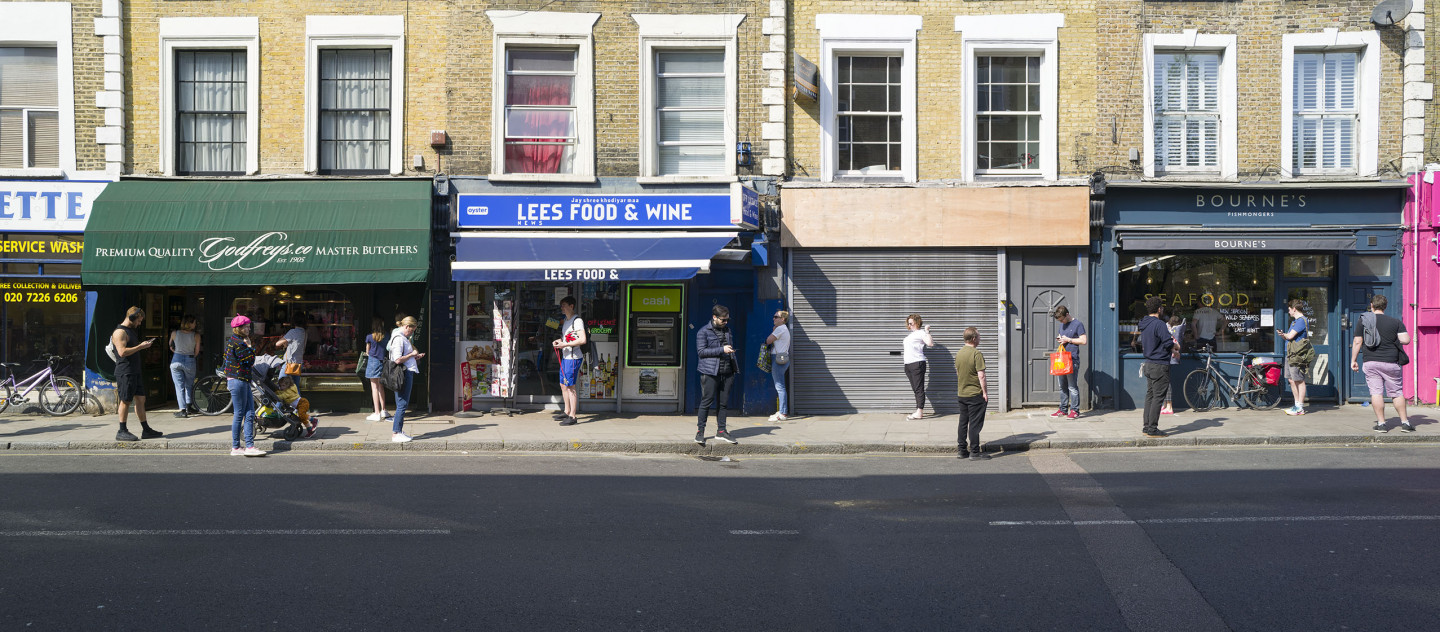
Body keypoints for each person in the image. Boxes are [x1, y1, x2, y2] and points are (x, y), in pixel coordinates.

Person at [1351, 294, 1413, 433]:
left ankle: (1381, 424)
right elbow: (1406, 340)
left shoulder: (1364, 321)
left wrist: (1353, 360)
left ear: (1372, 306)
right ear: (1385, 306)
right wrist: (1392, 338)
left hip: (1371, 362)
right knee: (1396, 392)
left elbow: (1357, 341)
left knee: (1376, 393)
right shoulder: (1395, 322)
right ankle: (1405, 423)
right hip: (1391, 362)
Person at [112, 307, 162, 442]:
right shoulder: (120, 332)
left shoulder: (131, 331)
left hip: (135, 371)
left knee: (141, 400)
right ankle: (121, 431)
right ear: (132, 317)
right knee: (125, 401)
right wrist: (141, 346)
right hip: (126, 372)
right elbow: (122, 352)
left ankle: (146, 430)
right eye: (138, 320)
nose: (139, 324)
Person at [695, 305, 739, 446]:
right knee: (706, 402)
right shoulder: (703, 332)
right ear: (714, 317)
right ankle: (700, 432)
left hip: (727, 372)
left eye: (727, 320)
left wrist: (730, 352)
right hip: (710, 372)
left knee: (723, 403)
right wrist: (722, 349)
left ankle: (721, 431)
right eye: (723, 320)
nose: (726, 322)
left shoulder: (728, 330)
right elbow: (701, 352)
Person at [223, 315, 264, 456]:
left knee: (248, 413)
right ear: (238, 328)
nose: (248, 328)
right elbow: (250, 360)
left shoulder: (233, 341)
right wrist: (250, 347)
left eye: (248, 326)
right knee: (242, 413)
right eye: (245, 326)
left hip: (240, 380)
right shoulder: (239, 343)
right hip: (238, 380)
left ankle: (245, 447)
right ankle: (239, 447)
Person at [1139, 296, 1176, 438]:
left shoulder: (1144, 323)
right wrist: (1176, 346)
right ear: (1159, 309)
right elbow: (1167, 342)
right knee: (1158, 397)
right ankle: (1153, 429)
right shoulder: (1159, 324)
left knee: (1150, 396)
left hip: (1148, 364)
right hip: (1159, 365)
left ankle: (1146, 426)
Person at [954, 326, 989, 461]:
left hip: (962, 394)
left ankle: (962, 450)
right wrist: (984, 393)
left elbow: (958, 373)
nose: (980, 338)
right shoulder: (976, 354)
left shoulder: (959, 353)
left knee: (963, 422)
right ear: (974, 338)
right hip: (975, 395)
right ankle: (974, 452)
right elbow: (982, 376)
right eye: (979, 336)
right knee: (974, 424)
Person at [387, 316, 425, 443]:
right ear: (407, 326)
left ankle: (399, 431)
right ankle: (396, 432)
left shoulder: (403, 338)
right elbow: (397, 359)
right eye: (412, 330)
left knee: (401, 404)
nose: (412, 332)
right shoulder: (399, 339)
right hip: (403, 374)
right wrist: (412, 355)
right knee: (402, 404)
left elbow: (403, 357)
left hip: (406, 372)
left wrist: (416, 357)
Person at [552, 296, 586, 426]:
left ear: (571, 306)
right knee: (563, 384)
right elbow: (568, 338)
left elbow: (582, 340)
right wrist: (560, 342)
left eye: (564, 305)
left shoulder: (577, 321)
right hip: (566, 357)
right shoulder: (566, 321)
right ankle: (566, 411)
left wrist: (564, 345)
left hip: (573, 358)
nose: (562, 308)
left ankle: (573, 416)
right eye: (561, 305)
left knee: (570, 386)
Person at [1051, 306, 1087, 419]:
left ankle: (1075, 411)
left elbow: (1083, 341)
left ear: (1067, 314)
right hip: (1062, 359)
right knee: (1062, 386)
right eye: (1059, 321)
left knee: (1072, 386)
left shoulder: (1078, 324)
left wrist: (1069, 340)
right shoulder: (1062, 324)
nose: (1061, 322)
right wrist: (1060, 338)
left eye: (1062, 319)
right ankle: (1063, 410)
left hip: (1072, 359)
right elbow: (1062, 336)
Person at [1281, 299, 1310, 416]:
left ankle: (1300, 407)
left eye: (1289, 309)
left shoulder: (1301, 321)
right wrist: (1284, 335)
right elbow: (1289, 337)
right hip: (1290, 353)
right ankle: (1296, 405)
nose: (1288, 312)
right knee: (1292, 380)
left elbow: (1290, 336)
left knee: (1299, 380)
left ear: (1294, 309)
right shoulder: (1295, 321)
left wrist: (1284, 335)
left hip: (1297, 354)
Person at [902, 314, 934, 420]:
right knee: (915, 389)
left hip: (917, 363)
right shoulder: (911, 335)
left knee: (919, 389)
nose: (909, 325)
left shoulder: (921, 333)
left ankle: (919, 412)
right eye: (908, 323)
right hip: (909, 364)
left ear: (917, 322)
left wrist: (927, 331)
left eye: (911, 323)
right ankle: (918, 410)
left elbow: (930, 343)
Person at [168, 314, 201, 418]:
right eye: (194, 322)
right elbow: (197, 351)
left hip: (176, 359)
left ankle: (182, 410)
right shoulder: (196, 335)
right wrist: (190, 356)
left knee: (179, 386)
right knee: (189, 385)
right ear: (189, 323)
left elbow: (170, 346)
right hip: (189, 359)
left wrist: (177, 352)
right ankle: (188, 406)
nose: (195, 324)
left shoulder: (174, 333)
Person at [766, 310, 791, 422]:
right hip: (782, 358)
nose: (774, 318)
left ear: (783, 319)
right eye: (774, 316)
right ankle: (782, 410)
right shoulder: (783, 329)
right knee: (780, 386)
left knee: (780, 386)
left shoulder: (780, 329)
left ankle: (782, 413)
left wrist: (774, 331)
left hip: (778, 360)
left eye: (776, 317)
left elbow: (768, 340)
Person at [364, 317, 390, 422]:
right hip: (382, 361)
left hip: (373, 361)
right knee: (381, 387)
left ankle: (377, 413)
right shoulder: (387, 336)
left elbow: (367, 352)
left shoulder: (369, 337)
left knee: (374, 388)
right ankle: (383, 410)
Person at [275, 313, 306, 397]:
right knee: (295, 387)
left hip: (289, 363)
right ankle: (300, 406)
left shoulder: (293, 331)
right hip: (298, 363)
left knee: (281, 385)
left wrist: (283, 338)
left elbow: (278, 344)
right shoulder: (303, 332)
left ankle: (278, 407)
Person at [1160, 315, 1184, 415]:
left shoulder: (1168, 329)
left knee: (1166, 382)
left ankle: (1169, 406)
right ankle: (1166, 404)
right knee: (1166, 381)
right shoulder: (1174, 330)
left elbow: (1169, 343)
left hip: (1168, 357)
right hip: (1170, 357)